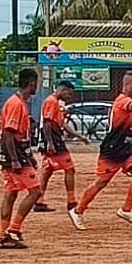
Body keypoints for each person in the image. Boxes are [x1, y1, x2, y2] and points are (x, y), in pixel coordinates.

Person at [70, 72, 132, 230]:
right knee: (101, 182)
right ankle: (78, 211)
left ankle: (126, 210)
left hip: (127, 147)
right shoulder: (122, 101)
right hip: (113, 148)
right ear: (127, 86)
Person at [0, 68, 43, 249]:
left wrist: (29, 155)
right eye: (35, 84)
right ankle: (14, 230)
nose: (36, 87)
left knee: (11, 193)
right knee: (35, 192)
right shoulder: (16, 104)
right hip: (14, 155)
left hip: (16, 153)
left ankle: (3, 235)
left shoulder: (18, 102)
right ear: (31, 83)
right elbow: (8, 133)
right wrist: (15, 159)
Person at [34, 81, 92, 216]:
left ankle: (38, 201)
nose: (69, 97)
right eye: (69, 93)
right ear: (63, 90)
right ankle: (71, 201)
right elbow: (47, 122)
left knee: (47, 171)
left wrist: (79, 136)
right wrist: (50, 142)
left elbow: (62, 124)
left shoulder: (55, 102)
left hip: (51, 139)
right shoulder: (51, 101)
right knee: (70, 169)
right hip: (53, 139)